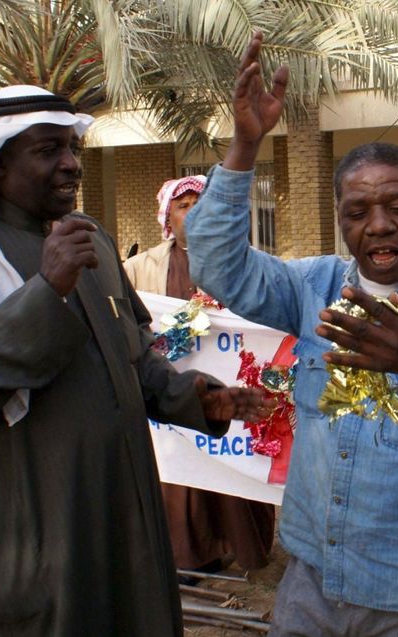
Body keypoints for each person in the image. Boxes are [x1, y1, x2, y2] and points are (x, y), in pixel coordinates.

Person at [187, 33, 398, 636]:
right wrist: (244, 147)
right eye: (357, 212)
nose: (379, 225)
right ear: (341, 217)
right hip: (312, 583)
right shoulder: (310, 287)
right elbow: (216, 264)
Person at [0, 85, 271, 637]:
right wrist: (45, 290)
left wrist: (192, 396)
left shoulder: (91, 240)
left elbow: (133, 354)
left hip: (125, 513)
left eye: (72, 147)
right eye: (48, 150)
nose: (72, 164)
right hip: (35, 534)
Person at [125, 175, 276, 576]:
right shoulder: (139, 268)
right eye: (183, 206)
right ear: (168, 217)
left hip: (226, 388)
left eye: (199, 205)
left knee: (229, 466)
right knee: (179, 474)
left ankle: (241, 547)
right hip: (171, 392)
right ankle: (190, 557)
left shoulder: (240, 262)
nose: (192, 214)